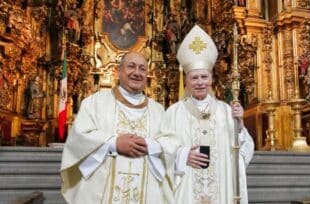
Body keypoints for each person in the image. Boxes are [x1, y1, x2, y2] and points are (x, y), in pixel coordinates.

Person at [157, 25, 254, 204]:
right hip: (186, 189)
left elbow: (242, 151)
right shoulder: (173, 113)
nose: (200, 82)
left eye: (204, 77)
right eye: (194, 78)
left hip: (220, 190)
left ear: (211, 79)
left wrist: (239, 125)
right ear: (186, 80)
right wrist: (183, 155)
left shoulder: (226, 111)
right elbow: (162, 147)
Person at [60, 51, 172, 203]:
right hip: (100, 190)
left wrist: (149, 145)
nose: (137, 73)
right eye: (131, 67)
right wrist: (114, 144)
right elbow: (78, 138)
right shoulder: (94, 103)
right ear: (118, 71)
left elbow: (171, 143)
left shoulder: (158, 111)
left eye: (142, 69)